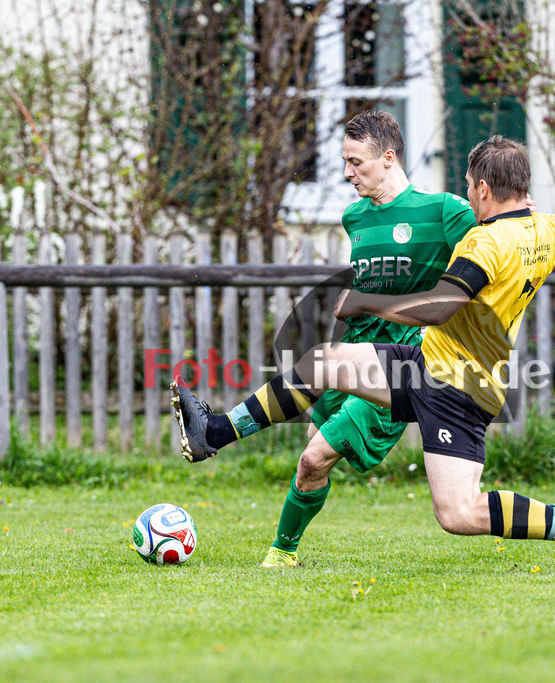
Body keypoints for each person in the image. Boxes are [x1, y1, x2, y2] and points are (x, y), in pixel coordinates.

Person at [174, 135, 555, 573]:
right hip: (426, 366)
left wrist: (366, 302)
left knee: (459, 513)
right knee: (321, 363)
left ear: (483, 189)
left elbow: (441, 305)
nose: (467, 196)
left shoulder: (487, 243)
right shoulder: (549, 230)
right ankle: (214, 431)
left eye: (469, 187)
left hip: (459, 389)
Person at [173, 110, 481, 568]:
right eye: (344, 161)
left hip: (402, 366)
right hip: (355, 349)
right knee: (310, 462)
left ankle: (218, 436)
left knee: (317, 452)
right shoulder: (354, 217)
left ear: (388, 158)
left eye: (355, 162)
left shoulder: (444, 211)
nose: (346, 173)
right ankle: (284, 553)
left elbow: (490, 249)